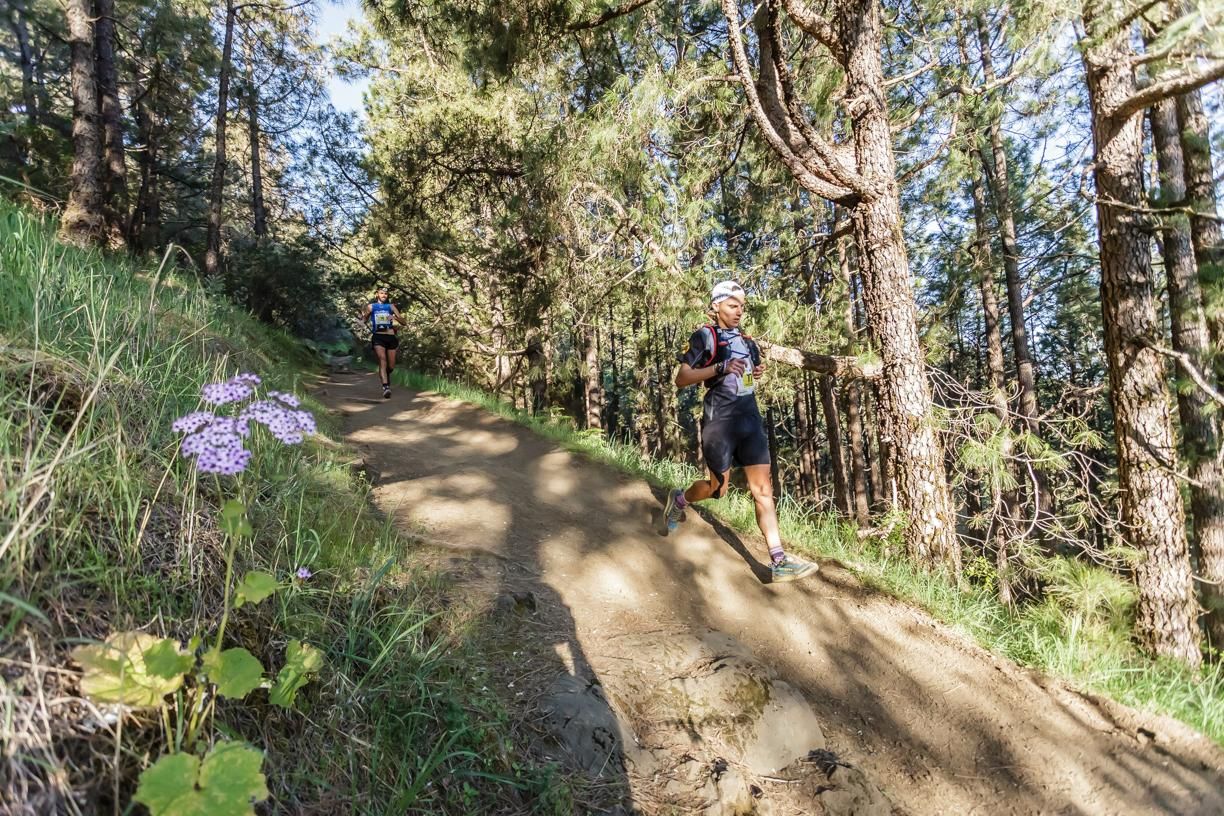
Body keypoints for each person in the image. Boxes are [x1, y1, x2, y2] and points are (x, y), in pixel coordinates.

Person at [663, 280, 819, 583]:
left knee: (763, 491)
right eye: (733, 305)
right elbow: (682, 378)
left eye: (742, 306)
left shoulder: (748, 342)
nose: (739, 311)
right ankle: (679, 500)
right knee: (717, 490)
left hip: (749, 421)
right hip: (719, 423)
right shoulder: (705, 337)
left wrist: (755, 372)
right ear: (716, 306)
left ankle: (778, 560)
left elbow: (748, 373)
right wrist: (719, 368)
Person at [361, 287, 402, 398]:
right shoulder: (371, 306)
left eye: (386, 294)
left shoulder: (391, 306)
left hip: (391, 337)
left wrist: (393, 317)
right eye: (381, 293)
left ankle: (386, 374)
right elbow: (363, 319)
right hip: (378, 337)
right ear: (377, 294)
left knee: (391, 366)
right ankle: (386, 387)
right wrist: (362, 320)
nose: (384, 295)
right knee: (382, 360)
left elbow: (404, 322)